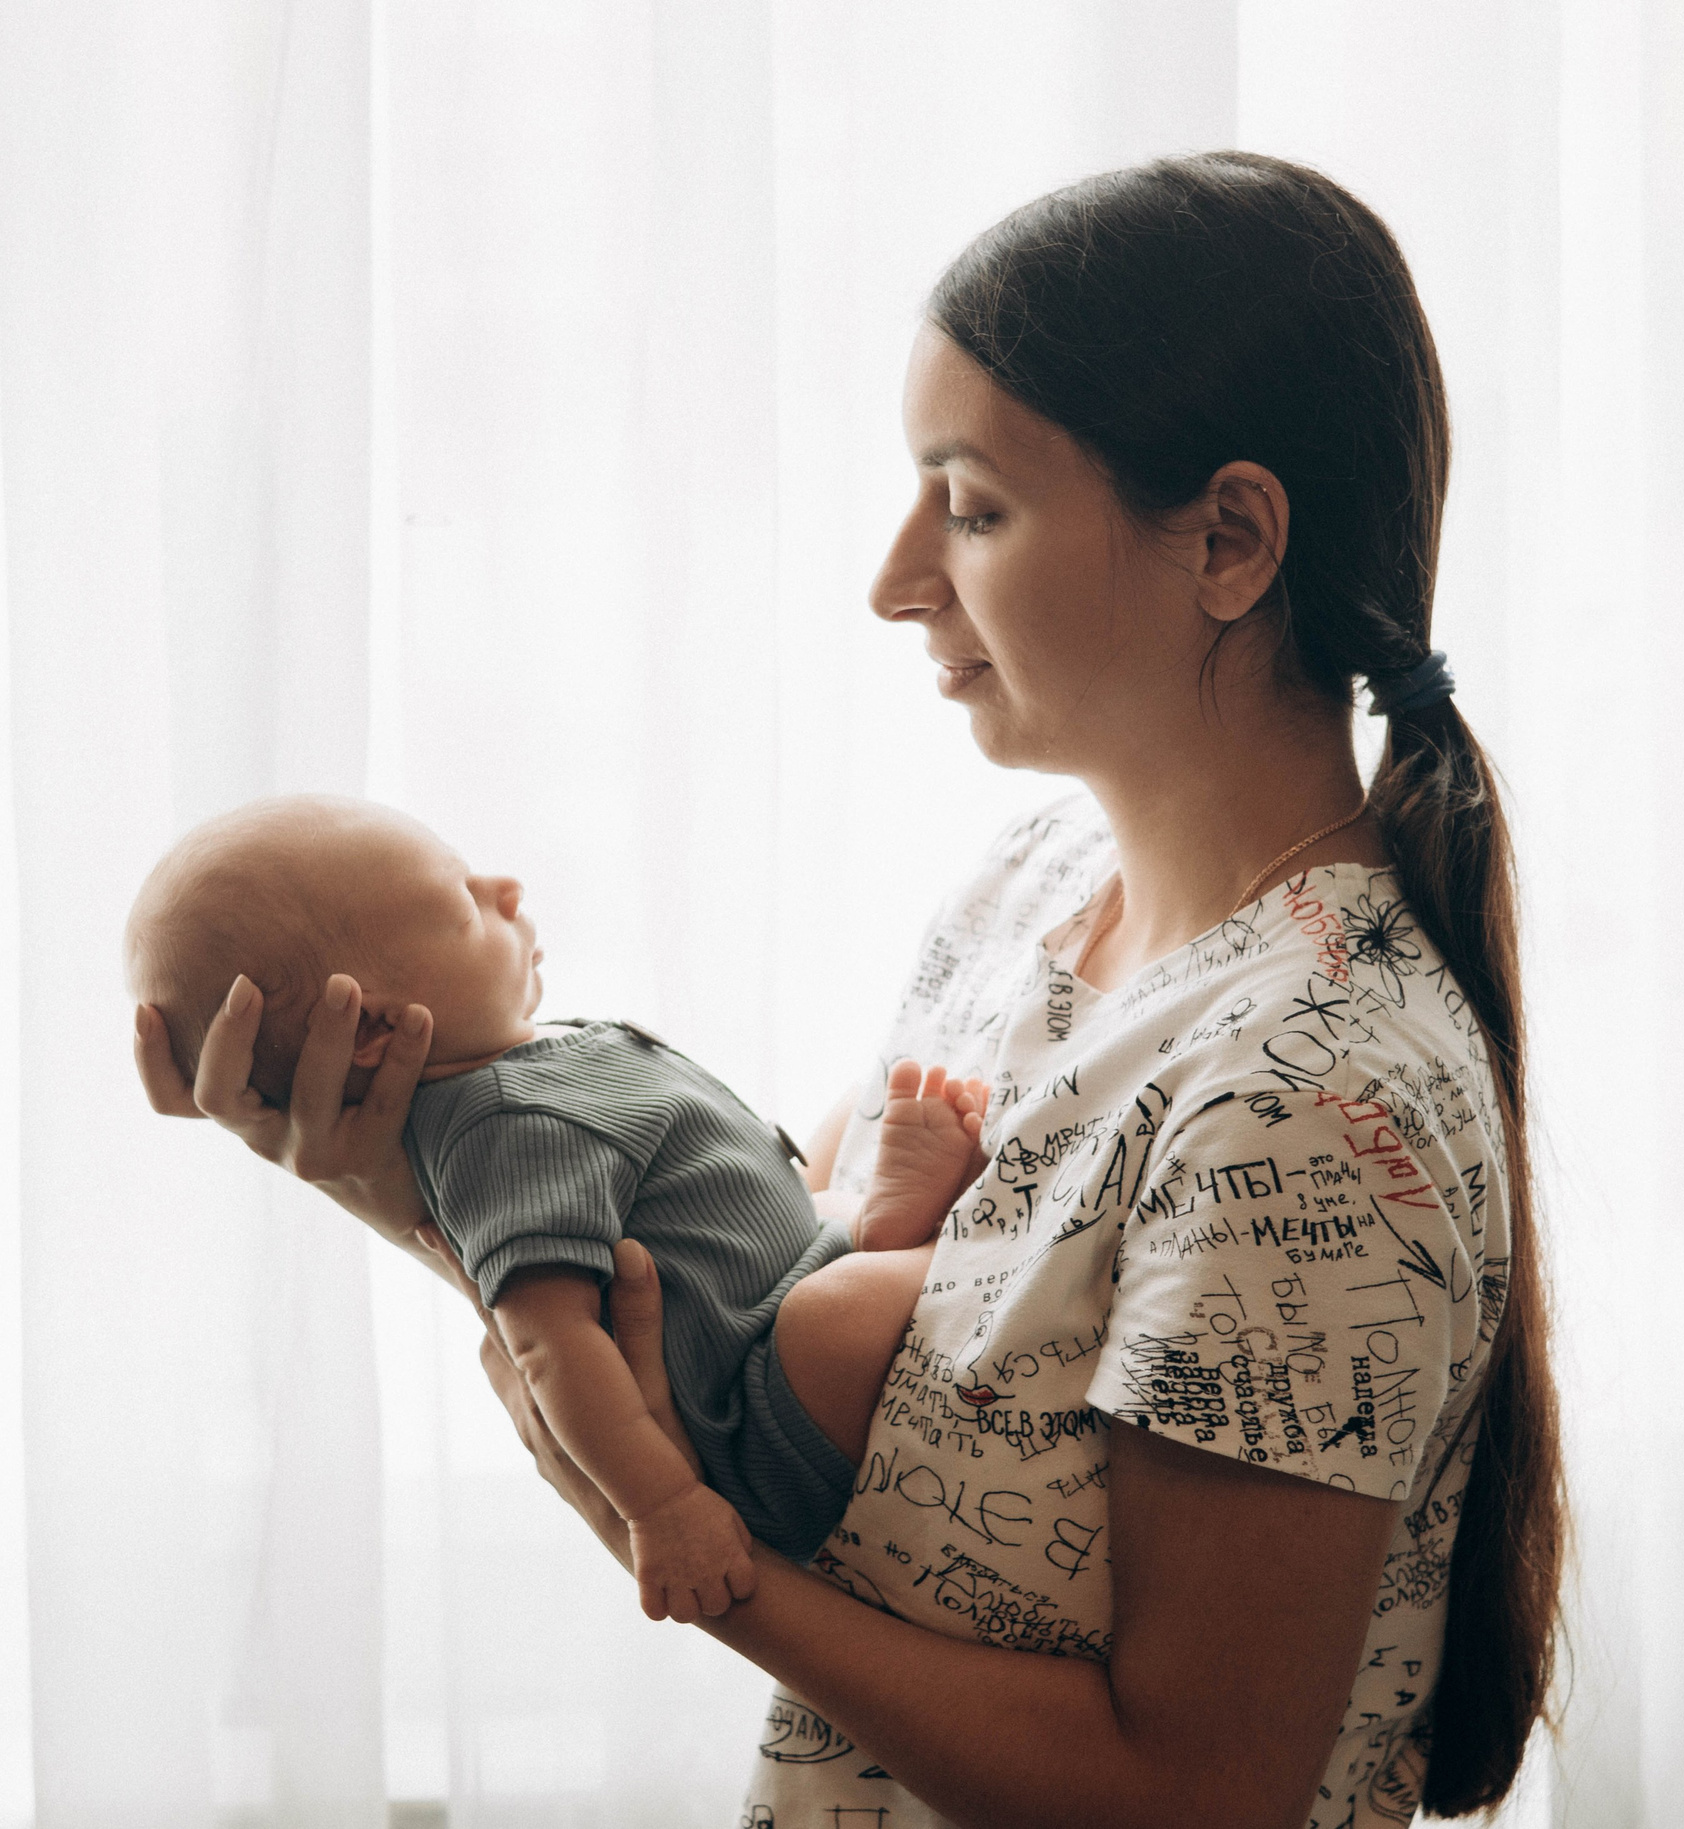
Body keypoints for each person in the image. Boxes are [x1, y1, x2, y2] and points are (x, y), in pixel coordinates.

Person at [138, 150, 1562, 1829]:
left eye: (974, 506)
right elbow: (740, 1286)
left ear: (1232, 539)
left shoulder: (1309, 1093)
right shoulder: (1032, 892)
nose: (895, 578)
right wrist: (406, 1166)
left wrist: (691, 1561)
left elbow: (1191, 1796)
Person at [123, 794, 990, 1617]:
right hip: (753, 1415)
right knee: (839, 1312)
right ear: (381, 1028)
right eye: (463, 904)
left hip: (773, 1298)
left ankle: (875, 1226)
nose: (506, 889)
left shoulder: (533, 1067)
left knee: (826, 1224)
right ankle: (915, 1247)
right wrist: (663, 1505)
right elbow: (548, 1343)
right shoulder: (506, 1130)